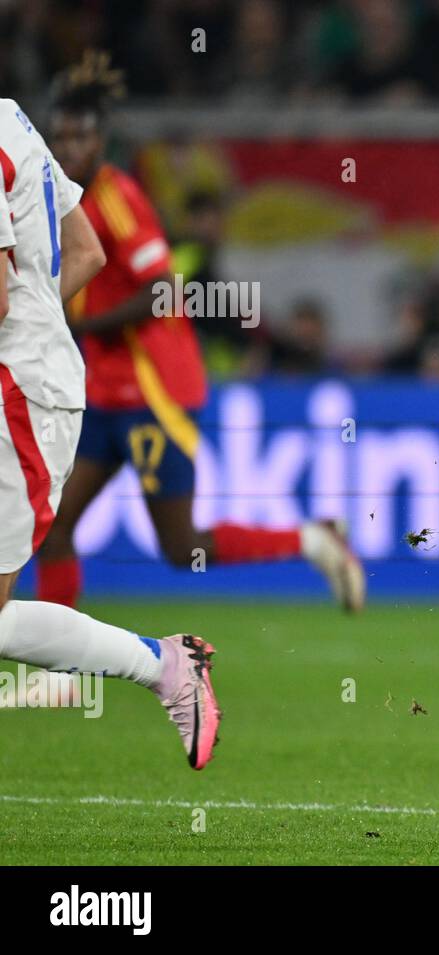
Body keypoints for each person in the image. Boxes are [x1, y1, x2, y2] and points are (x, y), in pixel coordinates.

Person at [36, 54, 364, 613]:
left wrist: (75, 322)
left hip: (153, 391)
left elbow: (160, 289)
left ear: (102, 140)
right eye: (60, 137)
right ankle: (64, 672)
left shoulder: (118, 201)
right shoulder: (68, 198)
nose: (69, 149)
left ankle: (313, 540)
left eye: (81, 137)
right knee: (53, 526)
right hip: (107, 391)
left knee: (180, 545)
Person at [0, 96, 219, 769]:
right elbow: (86, 252)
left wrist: (30, 330)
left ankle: (162, 665)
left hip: (19, 393)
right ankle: (162, 664)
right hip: (33, 372)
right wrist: (43, 322)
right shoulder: (13, 119)